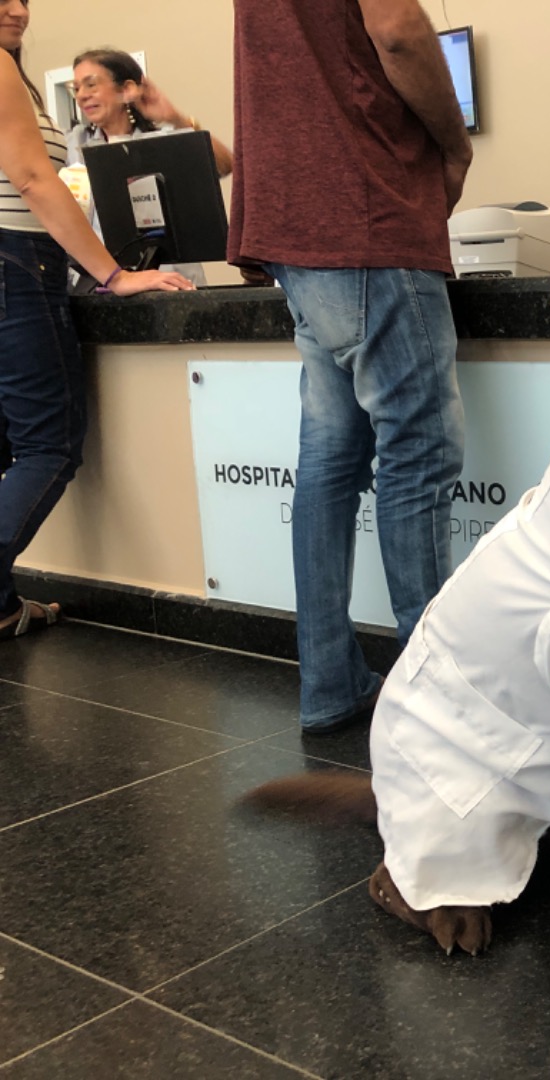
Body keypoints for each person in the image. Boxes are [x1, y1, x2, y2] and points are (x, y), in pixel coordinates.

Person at [230, 0, 473, 735]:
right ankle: (444, 703)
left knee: (331, 456)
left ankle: (330, 682)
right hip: (361, 206)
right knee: (420, 453)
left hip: (293, 219)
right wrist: (454, 147)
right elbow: (397, 29)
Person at [0, 0, 193, 638]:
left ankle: (1, 606)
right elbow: (31, 176)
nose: (18, 9)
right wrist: (113, 274)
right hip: (15, 262)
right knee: (48, 446)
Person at [64, 49, 234, 287]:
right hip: (102, 284)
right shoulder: (72, 146)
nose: (81, 96)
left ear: (127, 90)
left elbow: (226, 165)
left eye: (91, 85)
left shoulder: (161, 140)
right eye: (76, 88)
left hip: (171, 281)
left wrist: (176, 118)